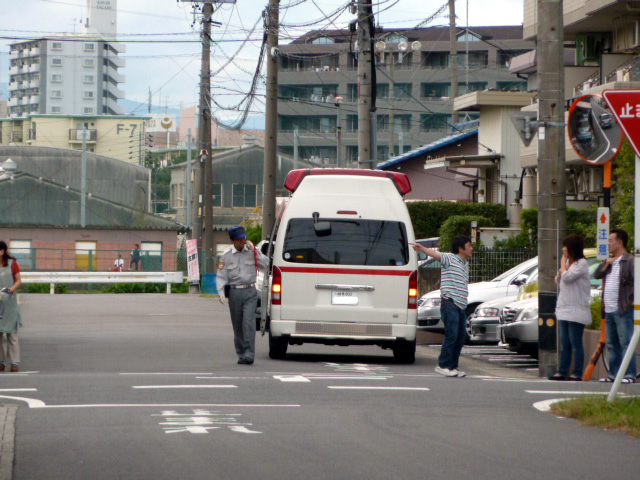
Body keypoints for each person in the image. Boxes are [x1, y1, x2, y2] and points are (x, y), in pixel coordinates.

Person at [411, 235, 473, 377]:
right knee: (452, 335)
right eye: (469, 245)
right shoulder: (449, 258)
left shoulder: (465, 263)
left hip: (461, 305)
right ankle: (443, 365)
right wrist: (421, 248)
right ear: (460, 248)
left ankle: (453, 366)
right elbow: (435, 254)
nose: (471, 249)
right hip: (450, 302)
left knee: (460, 337)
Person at [216, 226, 268, 365]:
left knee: (249, 323)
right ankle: (241, 353)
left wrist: (256, 251)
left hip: (250, 291)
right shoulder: (226, 255)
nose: (243, 241)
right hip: (235, 292)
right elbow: (221, 276)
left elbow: (266, 264)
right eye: (239, 239)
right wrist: (221, 293)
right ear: (232, 240)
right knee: (237, 325)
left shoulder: (252, 251)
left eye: (244, 238)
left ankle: (250, 354)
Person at [594, 229, 637, 384]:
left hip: (623, 308)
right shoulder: (610, 261)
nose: (609, 243)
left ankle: (629, 375)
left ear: (620, 242)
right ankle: (614, 375)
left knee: (626, 342)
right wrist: (606, 263)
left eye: (611, 240)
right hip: (609, 308)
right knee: (612, 344)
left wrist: (632, 300)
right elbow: (597, 275)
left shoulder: (630, 260)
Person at [549, 235, 591, 381]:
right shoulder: (569, 264)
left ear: (571, 248)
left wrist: (562, 264)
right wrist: (564, 265)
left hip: (577, 310)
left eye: (565, 246)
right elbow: (558, 280)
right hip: (564, 309)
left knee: (575, 342)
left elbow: (567, 277)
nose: (563, 249)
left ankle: (577, 372)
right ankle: (562, 371)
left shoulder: (582, 263)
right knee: (565, 343)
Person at [0, 240, 23, 372]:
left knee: (12, 334)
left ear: (2, 251)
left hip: (9, 303)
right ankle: (1, 362)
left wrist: (10, 290)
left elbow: (19, 280)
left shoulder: (12, 263)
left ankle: (14, 362)